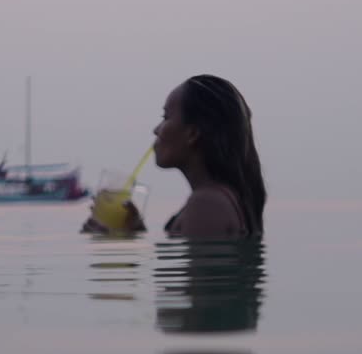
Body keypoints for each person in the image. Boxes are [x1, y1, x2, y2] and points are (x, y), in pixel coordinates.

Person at [82, 74, 266, 238]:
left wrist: (115, 247)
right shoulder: (217, 199)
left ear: (192, 134)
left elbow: (203, 267)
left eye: (165, 117)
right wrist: (134, 233)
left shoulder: (206, 203)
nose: (156, 130)